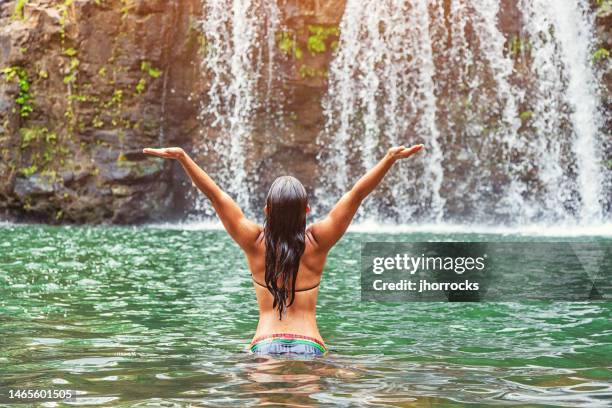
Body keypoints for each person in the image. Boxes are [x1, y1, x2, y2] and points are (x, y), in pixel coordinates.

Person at [143, 144, 424, 356]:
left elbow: (216, 196)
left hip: (264, 345)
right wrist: (388, 159)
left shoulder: (253, 242)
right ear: (306, 211)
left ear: (266, 210)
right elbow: (356, 195)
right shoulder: (318, 241)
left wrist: (183, 157)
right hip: (309, 345)